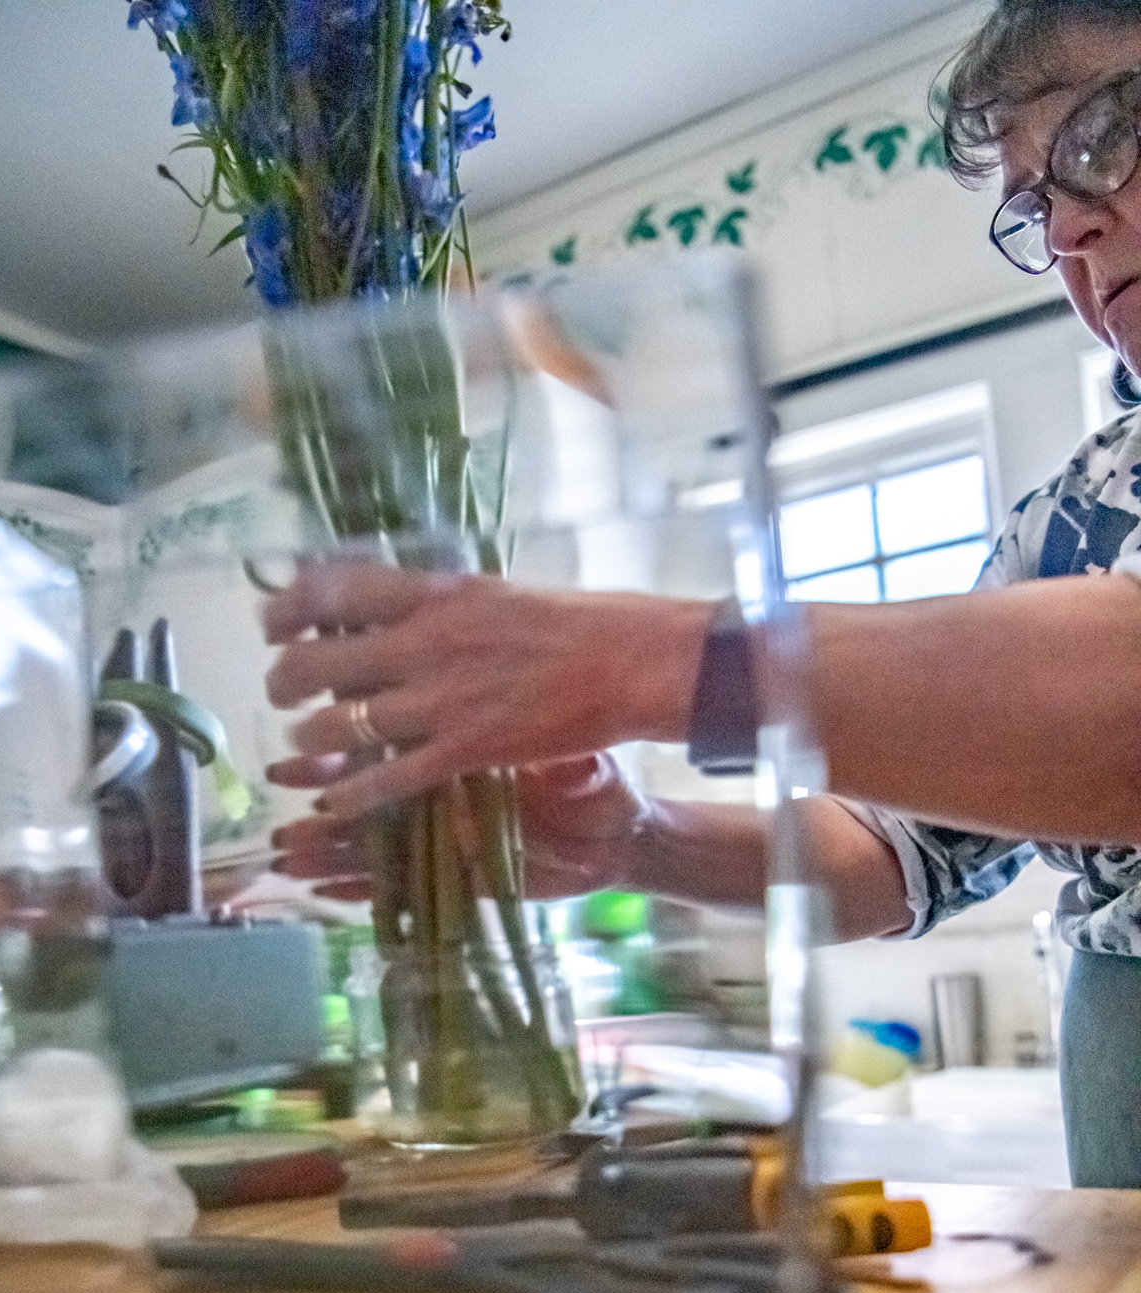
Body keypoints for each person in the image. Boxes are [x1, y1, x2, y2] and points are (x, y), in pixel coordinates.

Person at [264, 0, 1141, 1186]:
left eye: (1098, 139)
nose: (1072, 228)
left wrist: (647, 663)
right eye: (1034, 205)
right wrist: (631, 836)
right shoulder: (1075, 511)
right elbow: (895, 856)